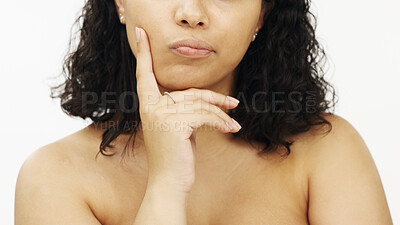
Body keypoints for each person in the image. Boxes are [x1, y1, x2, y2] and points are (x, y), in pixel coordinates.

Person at [15, 0, 393, 224]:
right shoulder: (53, 177)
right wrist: (166, 184)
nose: (192, 13)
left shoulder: (327, 151)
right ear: (120, 3)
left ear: (262, 15)